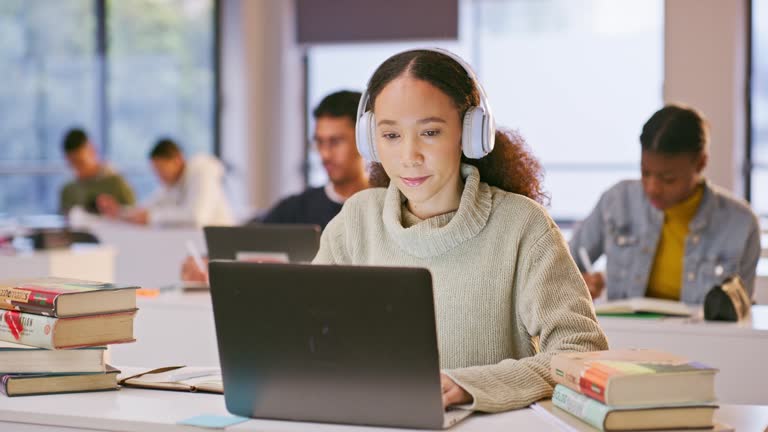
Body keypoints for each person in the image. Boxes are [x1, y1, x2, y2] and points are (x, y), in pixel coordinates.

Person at [312, 49, 608, 413]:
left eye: (430, 132)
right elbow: (309, 336)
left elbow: (581, 353)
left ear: (470, 133)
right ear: (371, 140)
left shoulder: (522, 225)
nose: (409, 155)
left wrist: (471, 386)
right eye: (390, 135)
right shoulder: (356, 219)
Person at [570, 104, 761, 304]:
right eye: (645, 173)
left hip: (702, 336)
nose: (652, 188)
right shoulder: (617, 201)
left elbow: (740, 313)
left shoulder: (742, 223)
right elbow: (561, 265)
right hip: (623, 334)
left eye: (668, 179)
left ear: (701, 163)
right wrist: (578, 282)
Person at [180, 90, 368, 282]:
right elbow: (242, 248)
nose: (325, 154)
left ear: (364, 140)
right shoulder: (295, 209)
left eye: (335, 142)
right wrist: (205, 261)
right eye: (319, 142)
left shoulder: (390, 205)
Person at [98, 139, 234, 227]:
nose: (159, 176)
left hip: (220, 247)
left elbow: (196, 217)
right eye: (156, 171)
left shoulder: (201, 170)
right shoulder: (171, 184)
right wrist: (120, 212)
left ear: (178, 159)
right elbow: (146, 209)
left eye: (161, 169)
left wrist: (152, 217)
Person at [59, 128, 135, 214]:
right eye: (72, 164)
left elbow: (135, 217)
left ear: (92, 150)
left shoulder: (117, 184)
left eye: (80, 162)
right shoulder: (68, 190)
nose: (77, 169)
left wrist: (118, 210)